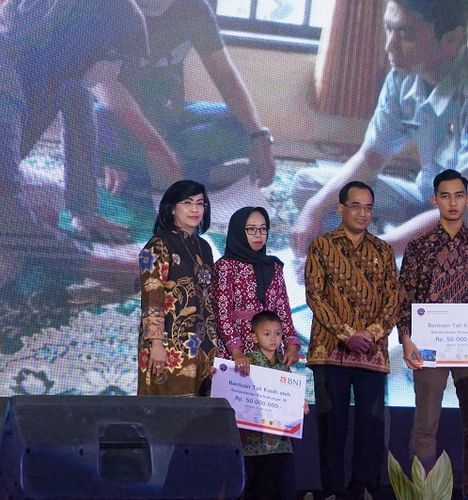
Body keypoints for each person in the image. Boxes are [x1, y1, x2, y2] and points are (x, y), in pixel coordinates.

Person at [290, 0, 468, 259]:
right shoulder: (402, 75)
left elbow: (465, 211)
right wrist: (314, 210)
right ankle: (397, 248)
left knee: (455, 266)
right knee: (309, 188)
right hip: (426, 200)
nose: (389, 46)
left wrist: (383, 248)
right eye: (388, 29)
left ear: (451, 39)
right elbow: (370, 158)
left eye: (405, 34)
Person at [0, 0, 149, 290]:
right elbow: (7, 214)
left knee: (46, 204)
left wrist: (85, 210)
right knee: (13, 252)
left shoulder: (48, 68)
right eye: (115, 58)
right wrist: (103, 265)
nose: (116, 74)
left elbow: (79, 97)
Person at [92, 0, 276, 200]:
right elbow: (105, 89)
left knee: (240, 125)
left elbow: (225, 76)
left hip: (171, 116)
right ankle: (195, 174)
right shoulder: (108, 8)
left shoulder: (195, 7)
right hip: (122, 121)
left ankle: (148, 172)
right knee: (95, 119)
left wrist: (259, 138)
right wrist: (158, 151)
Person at [398, 169, 468, 500]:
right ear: (434, 200)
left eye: (459, 195)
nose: (453, 202)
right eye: (445, 196)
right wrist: (405, 338)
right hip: (428, 348)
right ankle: (425, 493)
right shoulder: (418, 247)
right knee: (425, 426)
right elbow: (405, 297)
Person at [304, 181, 399, 499]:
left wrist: (370, 334)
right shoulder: (321, 246)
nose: (362, 213)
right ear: (340, 208)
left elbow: (392, 300)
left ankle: (364, 487)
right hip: (330, 351)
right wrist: (347, 334)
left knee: (370, 425)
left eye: (368, 207)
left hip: (372, 353)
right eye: (355, 205)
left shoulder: (383, 250)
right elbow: (315, 296)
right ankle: (332, 490)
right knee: (333, 424)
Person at [137, 180, 218, 396]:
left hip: (203, 346)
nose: (195, 209)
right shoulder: (158, 244)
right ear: (172, 208)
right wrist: (155, 344)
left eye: (200, 203)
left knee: (199, 417)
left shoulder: (205, 247)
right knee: (169, 413)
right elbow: (151, 296)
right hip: (167, 346)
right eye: (187, 202)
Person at [213, 206, 301, 369]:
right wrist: (236, 351)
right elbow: (222, 312)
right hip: (235, 352)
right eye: (251, 229)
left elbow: (282, 310)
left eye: (263, 229)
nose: (258, 235)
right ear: (238, 231)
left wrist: (291, 344)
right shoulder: (226, 266)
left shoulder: (274, 266)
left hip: (270, 350)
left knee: (270, 393)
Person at [238, 310, 300, 500]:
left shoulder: (284, 363)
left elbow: (289, 397)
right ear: (253, 336)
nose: (273, 339)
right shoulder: (247, 363)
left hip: (280, 443)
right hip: (253, 443)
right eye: (267, 334)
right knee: (255, 490)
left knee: (281, 488)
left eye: (278, 333)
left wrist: (300, 403)